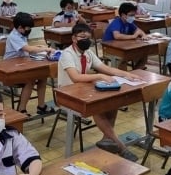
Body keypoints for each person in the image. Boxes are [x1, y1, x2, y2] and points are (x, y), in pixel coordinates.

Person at [58, 23, 143, 161]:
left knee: (113, 101)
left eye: (88, 37)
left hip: (83, 89)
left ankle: (107, 139)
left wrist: (126, 74)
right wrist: (98, 76)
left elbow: (104, 68)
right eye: (82, 37)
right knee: (97, 107)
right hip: (67, 94)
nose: (86, 40)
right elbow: (75, 77)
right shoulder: (67, 54)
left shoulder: (88, 53)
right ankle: (121, 147)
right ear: (74, 38)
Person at [4, 12, 54, 116]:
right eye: (27, 28)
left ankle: (41, 106)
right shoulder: (13, 36)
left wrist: (39, 47)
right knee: (30, 80)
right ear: (19, 27)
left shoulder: (21, 33)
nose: (29, 30)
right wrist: (45, 48)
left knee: (43, 76)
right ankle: (22, 109)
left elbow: (27, 49)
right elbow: (28, 49)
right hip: (11, 68)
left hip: (23, 63)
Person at [102, 2, 148, 69]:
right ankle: (124, 76)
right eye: (131, 15)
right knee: (123, 58)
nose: (133, 17)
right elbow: (117, 36)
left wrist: (144, 35)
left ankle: (135, 72)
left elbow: (139, 31)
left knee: (143, 54)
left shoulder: (129, 22)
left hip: (122, 47)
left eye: (134, 15)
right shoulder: (116, 22)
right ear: (123, 15)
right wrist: (133, 36)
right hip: (110, 48)